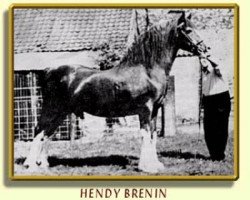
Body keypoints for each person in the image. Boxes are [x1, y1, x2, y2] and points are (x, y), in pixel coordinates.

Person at [200, 57, 231, 161]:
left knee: (221, 127)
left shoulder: (220, 67)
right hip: (208, 99)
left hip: (220, 97)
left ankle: (219, 155)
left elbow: (218, 69)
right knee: (209, 128)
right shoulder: (205, 71)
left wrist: (208, 57)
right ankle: (213, 155)